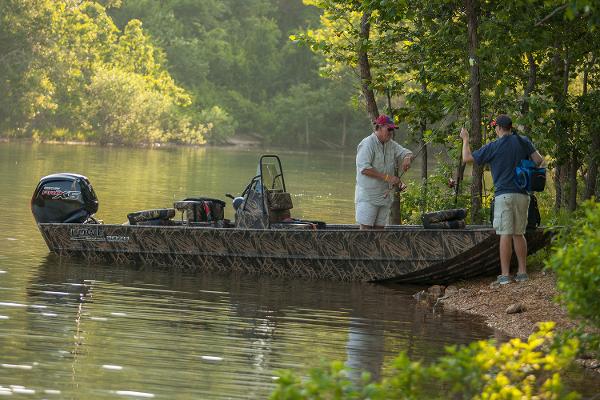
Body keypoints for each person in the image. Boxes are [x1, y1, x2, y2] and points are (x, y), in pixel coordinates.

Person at [460, 114, 544, 285]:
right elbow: (539, 160)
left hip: (504, 195)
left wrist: (465, 138)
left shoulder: (494, 146)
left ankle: (505, 276)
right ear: (510, 128)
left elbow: (467, 158)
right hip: (522, 195)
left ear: (498, 128)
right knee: (519, 233)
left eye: (495, 127)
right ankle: (522, 273)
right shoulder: (523, 141)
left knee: (505, 234)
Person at [355, 114, 413, 229]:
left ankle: (377, 248)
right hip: (368, 197)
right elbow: (364, 169)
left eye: (393, 129)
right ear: (379, 127)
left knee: (380, 230)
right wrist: (388, 178)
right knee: (365, 229)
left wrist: (407, 158)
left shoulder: (391, 144)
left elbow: (407, 152)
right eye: (389, 129)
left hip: (384, 197)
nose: (391, 132)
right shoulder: (367, 143)